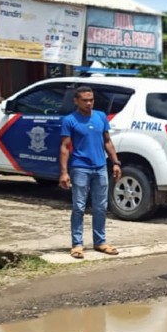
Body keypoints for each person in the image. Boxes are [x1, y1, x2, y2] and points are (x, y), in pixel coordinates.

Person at [58, 85, 122, 258]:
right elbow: (64, 147)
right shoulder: (70, 120)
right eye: (85, 100)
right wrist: (64, 172)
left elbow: (107, 141)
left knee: (101, 207)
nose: (88, 103)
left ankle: (100, 241)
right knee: (79, 207)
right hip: (80, 168)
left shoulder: (101, 117)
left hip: (100, 167)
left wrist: (115, 162)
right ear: (76, 101)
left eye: (91, 100)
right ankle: (77, 244)